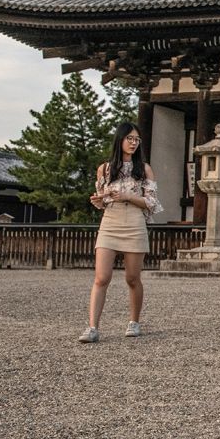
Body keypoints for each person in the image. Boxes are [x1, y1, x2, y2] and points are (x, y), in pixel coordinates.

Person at [78, 122, 163, 343]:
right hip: (110, 221)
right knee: (101, 277)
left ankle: (134, 321)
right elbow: (103, 199)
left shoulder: (144, 169)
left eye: (137, 139)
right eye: (130, 139)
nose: (134, 143)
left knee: (132, 278)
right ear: (120, 140)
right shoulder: (105, 169)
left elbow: (151, 203)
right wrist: (99, 200)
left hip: (134, 222)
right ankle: (92, 327)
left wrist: (127, 197)